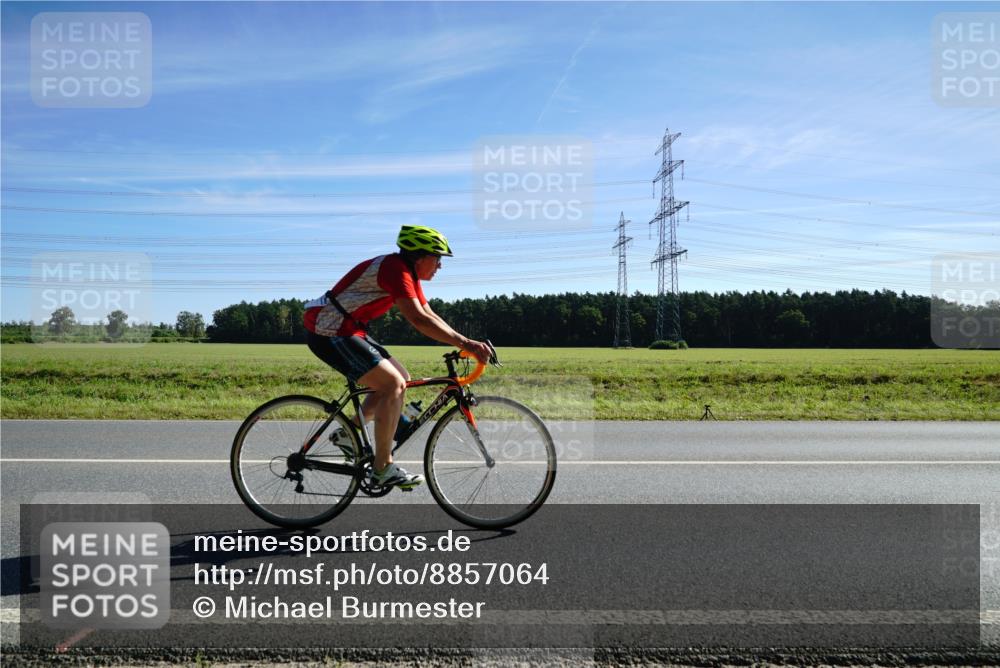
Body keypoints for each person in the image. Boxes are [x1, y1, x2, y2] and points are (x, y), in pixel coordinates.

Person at [303, 225, 491, 490]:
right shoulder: (395, 270)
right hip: (328, 328)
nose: (440, 265)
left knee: (401, 378)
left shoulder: (407, 273)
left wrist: (465, 341)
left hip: (348, 328)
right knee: (392, 384)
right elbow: (418, 320)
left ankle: (348, 433)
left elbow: (429, 314)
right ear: (419, 256)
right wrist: (466, 343)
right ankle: (382, 468)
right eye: (437, 258)